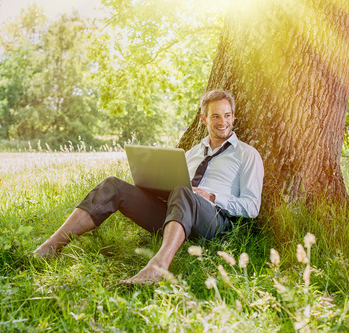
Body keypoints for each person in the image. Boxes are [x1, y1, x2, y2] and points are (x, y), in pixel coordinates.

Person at [34, 89, 264, 285]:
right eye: (215, 116)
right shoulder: (192, 153)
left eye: (226, 115)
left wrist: (211, 196)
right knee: (113, 185)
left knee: (183, 191)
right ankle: (49, 248)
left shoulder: (247, 155)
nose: (222, 122)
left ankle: (157, 267)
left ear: (233, 117)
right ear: (204, 119)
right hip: (176, 212)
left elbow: (252, 206)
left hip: (213, 221)